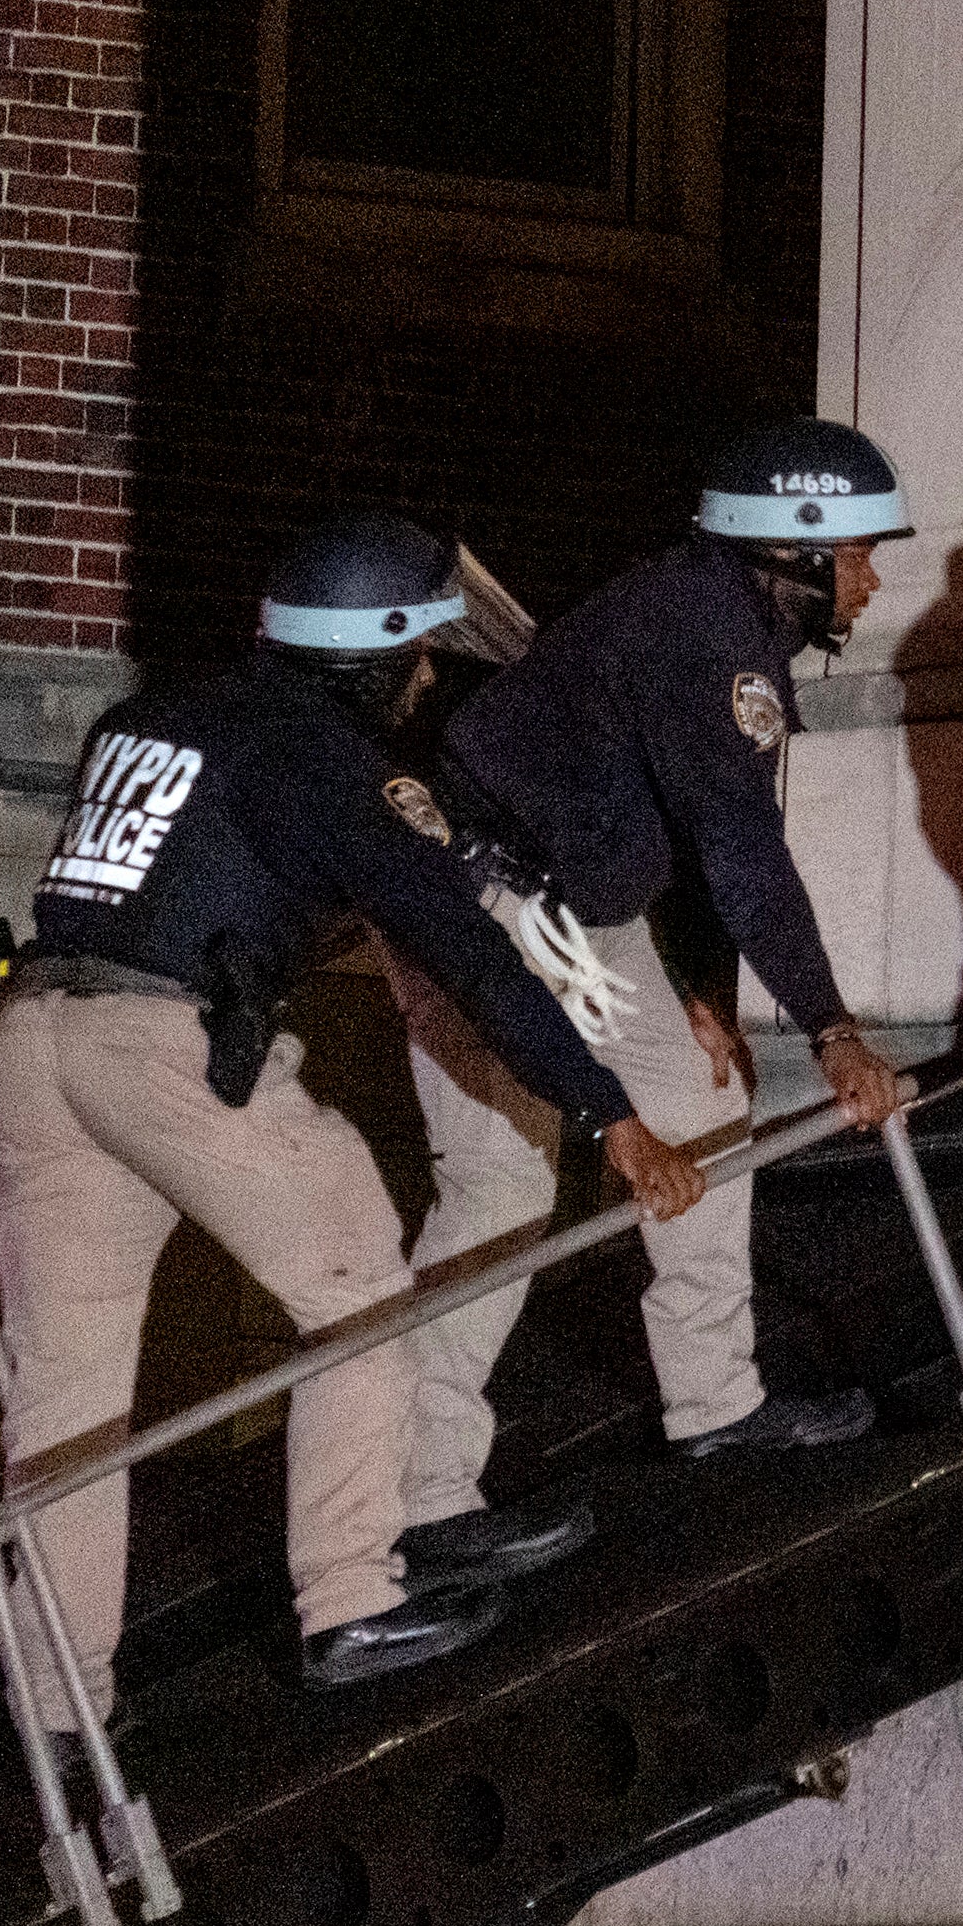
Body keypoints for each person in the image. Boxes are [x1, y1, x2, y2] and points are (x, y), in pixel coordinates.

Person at [0, 512, 706, 1720]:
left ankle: (61, 1708)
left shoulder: (149, 717)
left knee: (69, 1397)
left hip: (33, 1037)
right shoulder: (322, 756)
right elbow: (467, 951)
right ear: (369, 655)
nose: (427, 681)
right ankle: (352, 1594)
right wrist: (607, 1114)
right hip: (163, 1046)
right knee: (360, 1280)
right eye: (417, 655)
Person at [393, 418, 913, 1518]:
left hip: (555, 896)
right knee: (500, 1185)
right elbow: (741, 851)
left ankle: (713, 1408)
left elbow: (677, 826)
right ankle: (419, 1494)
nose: (874, 577)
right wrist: (831, 1027)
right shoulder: (712, 637)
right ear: (797, 548)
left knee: (699, 1100)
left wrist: (699, 991)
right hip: (493, 898)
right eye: (860, 550)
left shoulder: (703, 610)